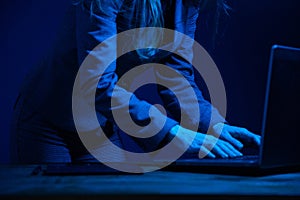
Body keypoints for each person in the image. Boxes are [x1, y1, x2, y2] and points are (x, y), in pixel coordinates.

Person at [10, 0, 260, 164]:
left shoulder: (187, 5)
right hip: (50, 120)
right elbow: (96, 82)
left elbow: (177, 76)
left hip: (100, 127)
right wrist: (174, 132)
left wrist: (213, 125)